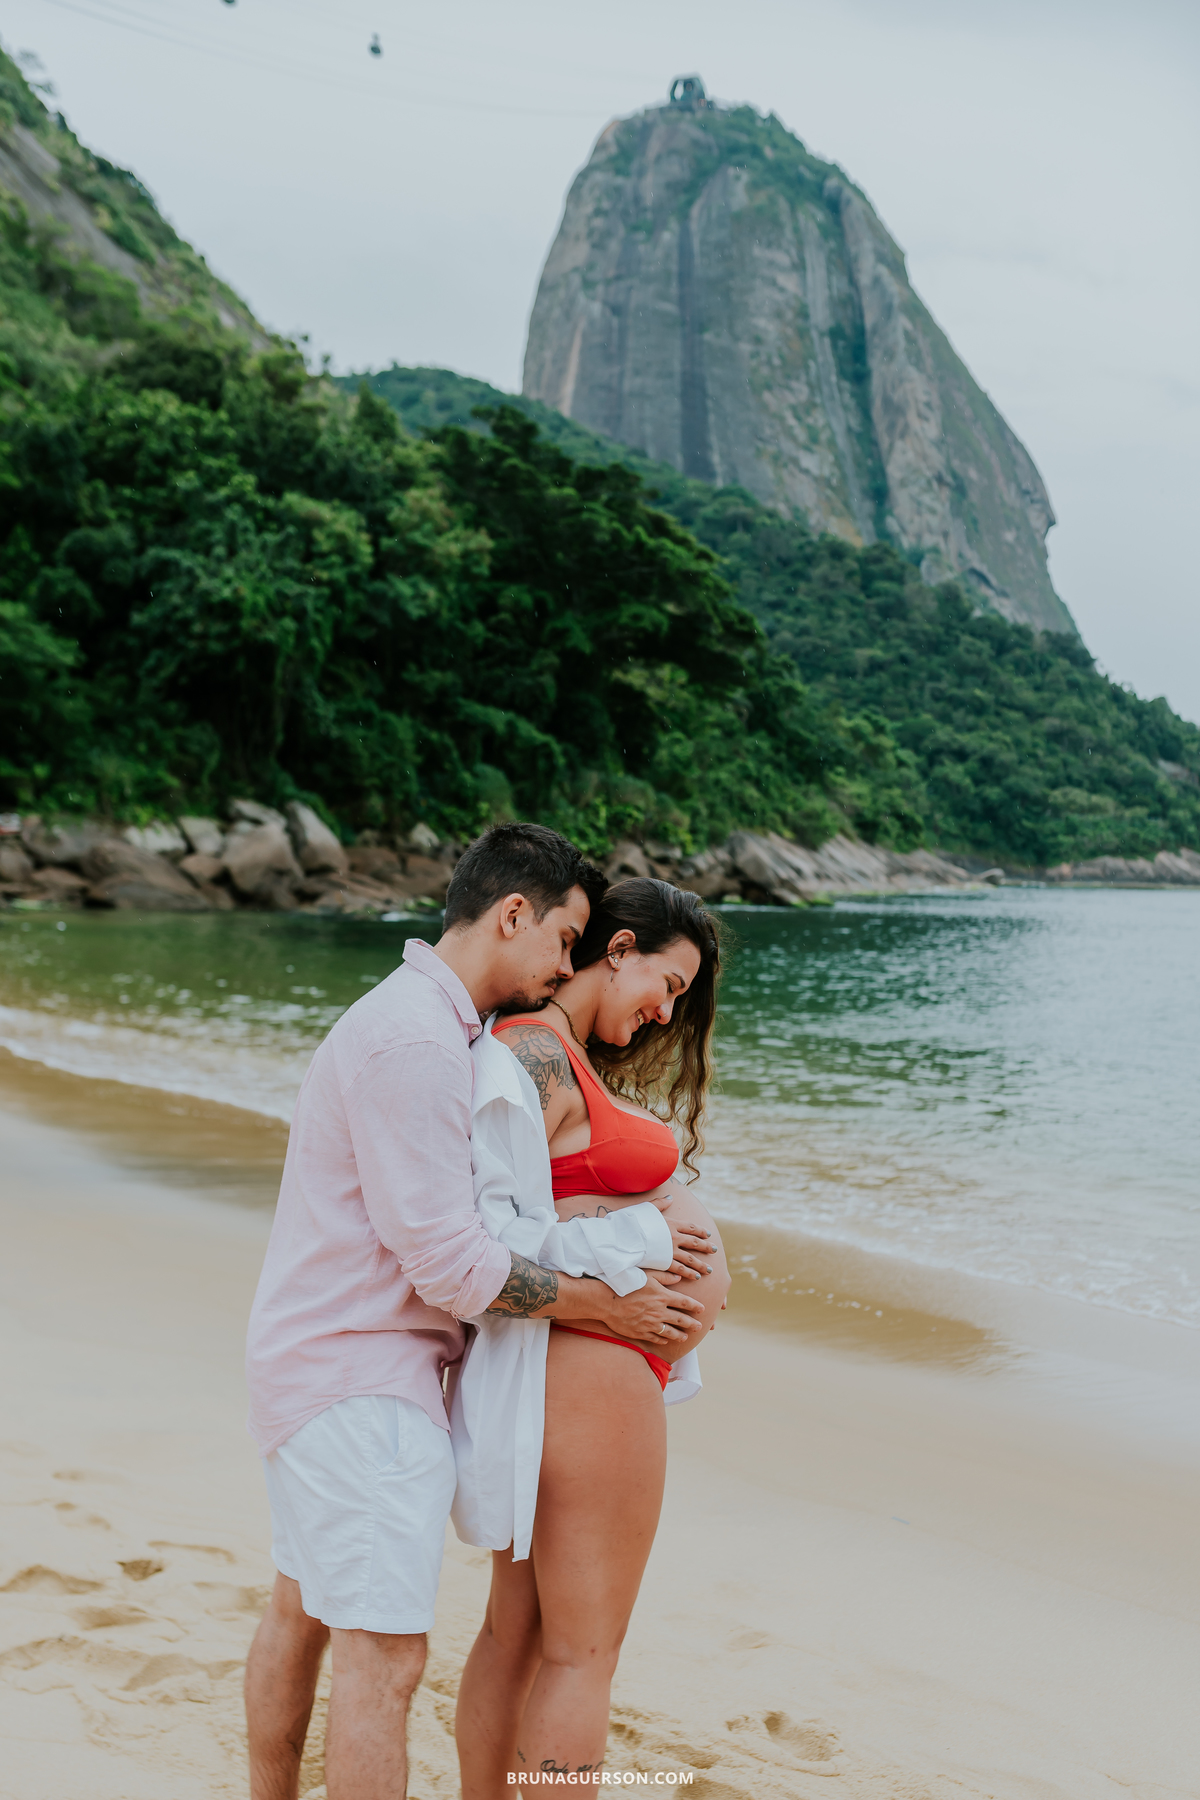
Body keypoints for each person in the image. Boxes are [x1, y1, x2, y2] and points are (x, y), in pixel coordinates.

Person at [242, 828, 706, 1800]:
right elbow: (463, 1257)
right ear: (512, 915)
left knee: (303, 1613)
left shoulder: (439, 1030)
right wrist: (614, 1303)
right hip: (363, 1383)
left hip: (331, 1369)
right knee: (386, 1663)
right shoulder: (422, 1038)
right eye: (566, 939)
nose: (566, 965)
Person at [455, 877, 731, 1794]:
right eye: (670, 984)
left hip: (566, 1370)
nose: (665, 1011)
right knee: (585, 1655)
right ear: (618, 951)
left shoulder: (550, 1052)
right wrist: (652, 1245)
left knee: (520, 1633)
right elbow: (481, 1229)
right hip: (591, 1369)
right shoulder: (534, 1053)